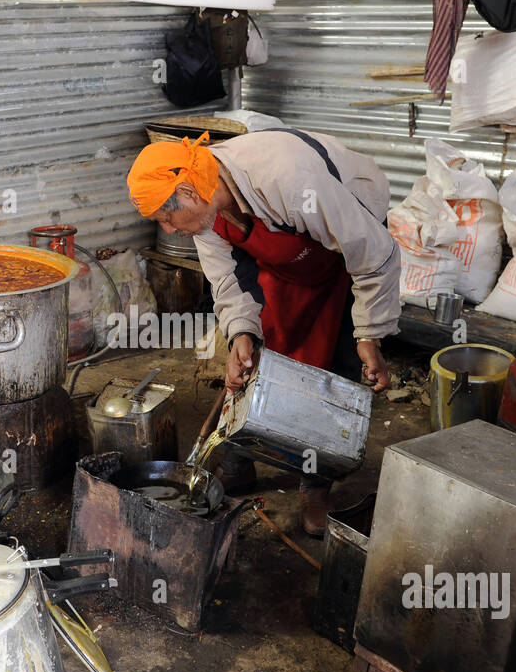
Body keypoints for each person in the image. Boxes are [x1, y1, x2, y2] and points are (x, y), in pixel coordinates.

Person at [127, 128, 401, 535]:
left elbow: (375, 254)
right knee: (256, 354)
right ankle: (238, 462)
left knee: (330, 370)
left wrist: (370, 334)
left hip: (340, 254)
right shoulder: (205, 211)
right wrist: (240, 332)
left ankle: (315, 485)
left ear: (188, 192)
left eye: (166, 218)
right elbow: (227, 282)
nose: (167, 230)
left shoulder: (287, 181)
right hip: (282, 260)